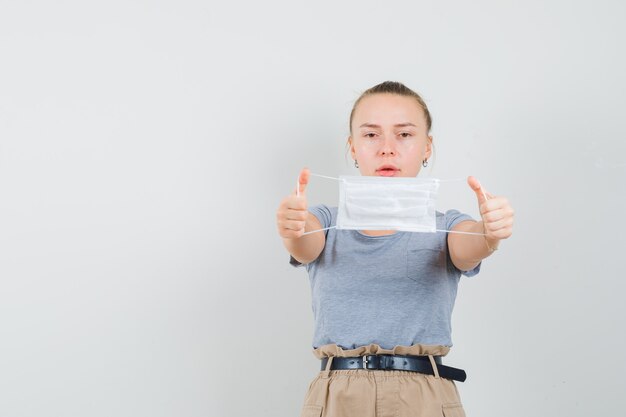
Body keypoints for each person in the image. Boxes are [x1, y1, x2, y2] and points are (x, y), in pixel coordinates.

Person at [276, 81, 514, 417]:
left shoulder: (446, 225)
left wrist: (490, 231)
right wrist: (293, 227)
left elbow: (470, 243)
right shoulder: (325, 220)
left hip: (425, 397)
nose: (387, 148)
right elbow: (304, 243)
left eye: (404, 134)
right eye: (371, 135)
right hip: (338, 398)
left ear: (427, 147)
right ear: (353, 147)